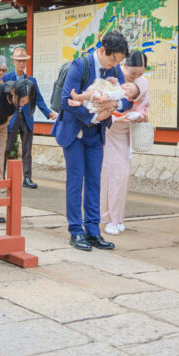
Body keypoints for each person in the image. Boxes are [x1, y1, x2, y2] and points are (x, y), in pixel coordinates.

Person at [51, 31, 130, 251]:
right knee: (76, 181)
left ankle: (93, 230)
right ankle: (76, 231)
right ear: (102, 50)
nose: (116, 64)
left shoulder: (114, 70)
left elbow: (127, 100)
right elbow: (67, 101)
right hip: (75, 132)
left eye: (119, 61)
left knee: (95, 180)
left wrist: (115, 106)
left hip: (96, 134)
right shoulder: (80, 65)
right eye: (113, 59)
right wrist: (93, 117)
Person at [101, 51, 150, 235]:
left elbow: (144, 106)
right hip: (108, 129)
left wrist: (141, 116)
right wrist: (114, 119)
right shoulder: (113, 75)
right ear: (124, 66)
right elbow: (101, 103)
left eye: (140, 73)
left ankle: (117, 217)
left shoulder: (142, 83)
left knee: (122, 175)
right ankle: (106, 218)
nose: (136, 77)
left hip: (126, 133)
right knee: (105, 174)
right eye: (133, 73)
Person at [2, 45, 56, 189]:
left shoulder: (31, 80)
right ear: (13, 62)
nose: (21, 64)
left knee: (27, 150)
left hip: (26, 117)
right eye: (18, 60)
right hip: (11, 118)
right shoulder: (6, 78)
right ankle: (1, 178)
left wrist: (48, 113)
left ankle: (27, 178)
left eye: (24, 61)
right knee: (6, 148)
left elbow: (38, 99)